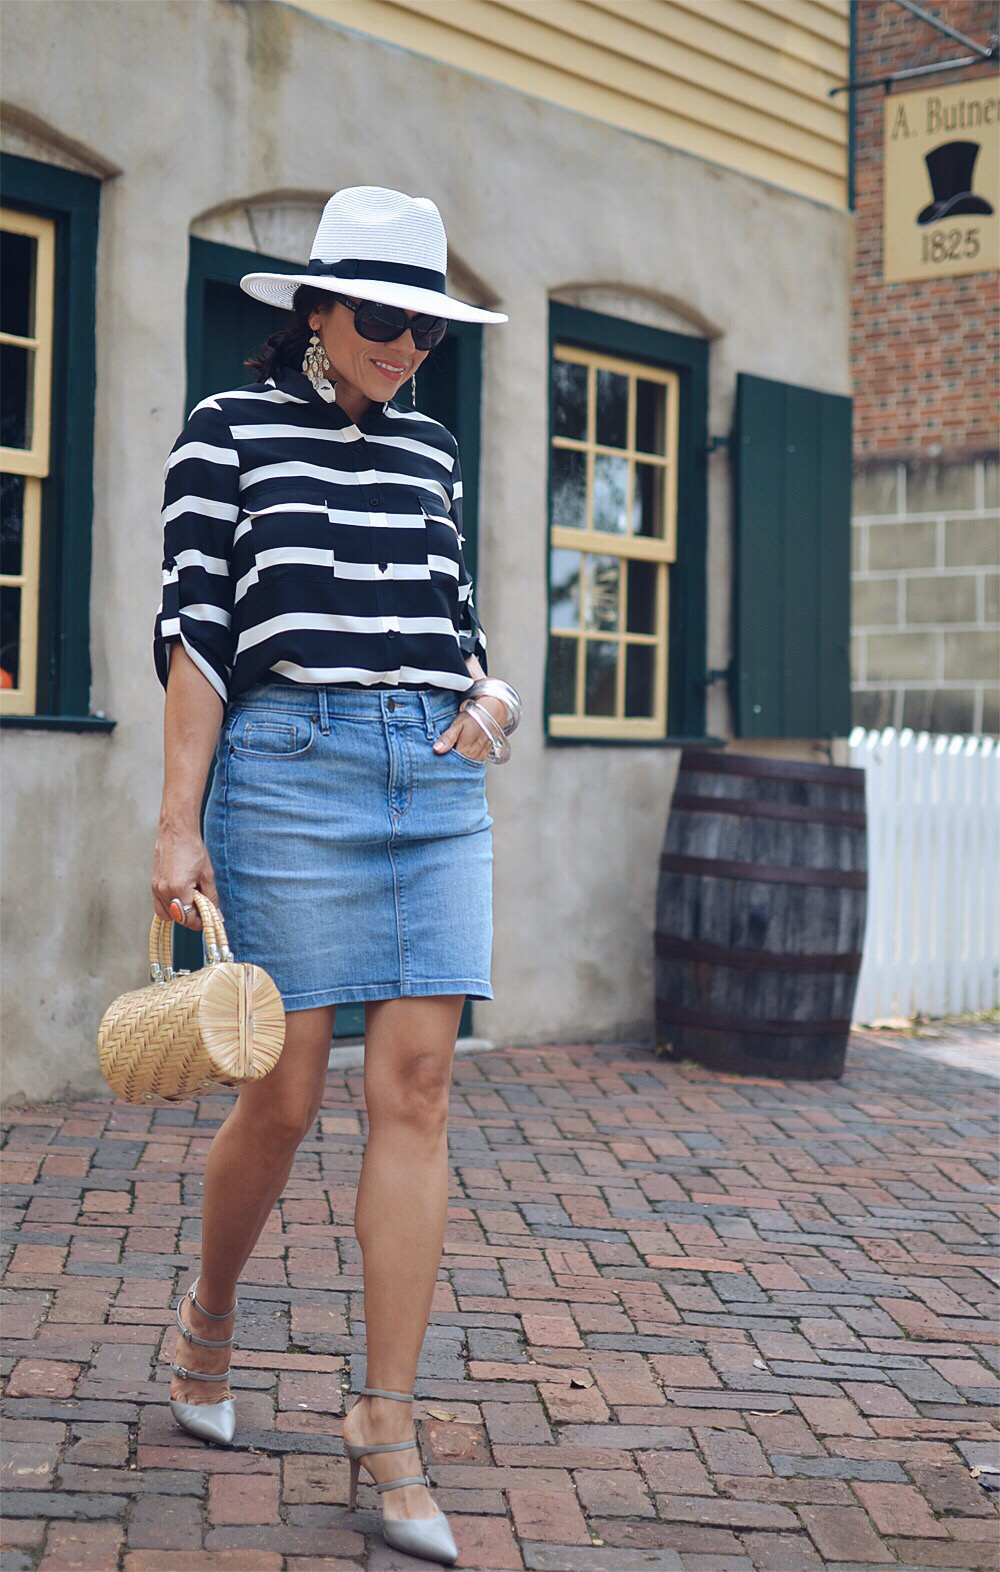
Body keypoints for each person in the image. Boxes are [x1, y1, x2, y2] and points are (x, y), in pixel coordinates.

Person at [151, 186, 517, 1567]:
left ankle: (386, 1425)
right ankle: (209, 1321)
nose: (406, 346)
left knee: (416, 1089)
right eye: (382, 318)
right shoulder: (225, 431)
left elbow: (453, 617)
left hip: (430, 775)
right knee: (288, 1093)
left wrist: (494, 699)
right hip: (286, 766)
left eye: (424, 326)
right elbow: (194, 627)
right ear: (315, 308)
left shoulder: (430, 453)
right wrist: (176, 824)